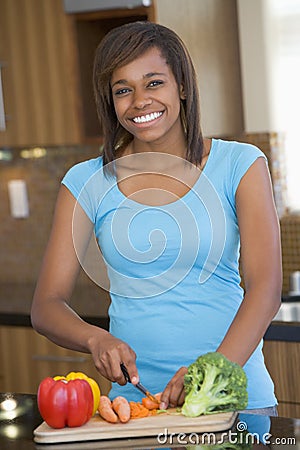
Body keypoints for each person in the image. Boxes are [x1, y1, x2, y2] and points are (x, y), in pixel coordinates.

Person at [31, 21, 282, 415]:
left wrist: (211, 372)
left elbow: (265, 288)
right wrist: (95, 338)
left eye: (154, 83)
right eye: (123, 90)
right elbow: (46, 304)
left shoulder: (240, 164)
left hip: (233, 398)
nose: (139, 101)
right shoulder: (85, 182)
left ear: (181, 85)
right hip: (137, 406)